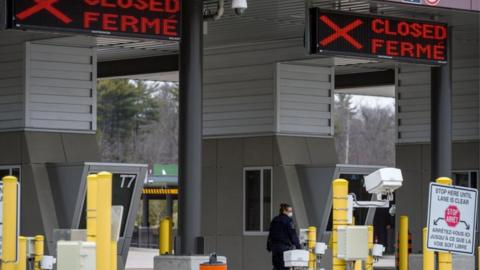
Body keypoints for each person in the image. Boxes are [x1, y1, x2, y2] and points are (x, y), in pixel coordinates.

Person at [267, 203, 302, 270]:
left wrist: (268, 246)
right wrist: (299, 247)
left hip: (274, 248)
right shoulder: (288, 221)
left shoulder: (275, 220)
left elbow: (270, 234)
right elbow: (293, 235)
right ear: (284, 211)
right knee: (284, 267)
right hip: (284, 249)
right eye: (290, 211)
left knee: (276, 267)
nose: (291, 213)